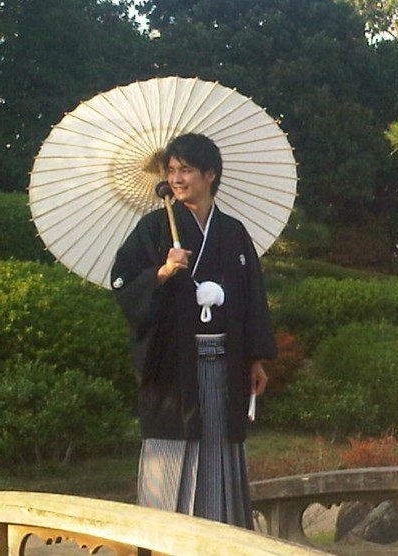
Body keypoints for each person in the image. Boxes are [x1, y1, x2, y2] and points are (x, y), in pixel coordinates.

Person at [111, 132, 277, 528]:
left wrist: (255, 358)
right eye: (171, 171)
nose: (177, 179)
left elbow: (252, 295)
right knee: (172, 448)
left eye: (186, 170)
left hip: (226, 360)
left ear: (210, 174)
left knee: (220, 448)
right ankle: (166, 542)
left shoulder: (233, 232)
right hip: (175, 365)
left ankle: (222, 539)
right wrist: (163, 272)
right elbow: (122, 281)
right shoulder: (154, 228)